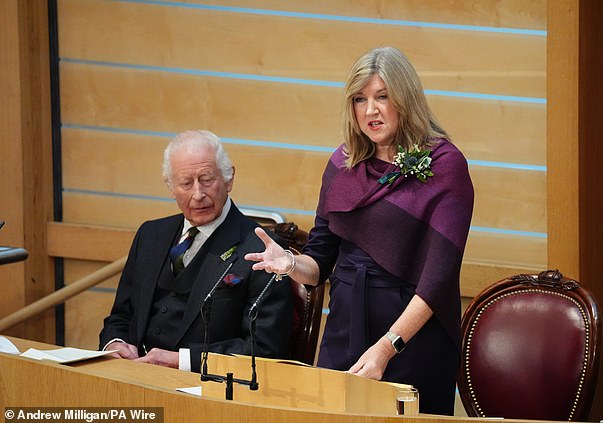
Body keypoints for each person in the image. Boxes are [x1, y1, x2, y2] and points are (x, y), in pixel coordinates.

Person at [245, 46, 474, 415]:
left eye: (382, 96)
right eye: (360, 99)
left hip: (412, 338)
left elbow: (438, 281)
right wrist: (288, 263)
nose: (371, 110)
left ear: (406, 99)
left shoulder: (446, 166)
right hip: (345, 327)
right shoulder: (342, 163)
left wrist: (386, 348)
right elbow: (319, 263)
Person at [99, 130, 294, 372]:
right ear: (171, 187)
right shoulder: (150, 235)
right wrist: (114, 343)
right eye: (186, 183)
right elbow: (120, 316)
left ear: (229, 178)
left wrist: (180, 362)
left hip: (204, 390)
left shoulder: (263, 250)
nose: (198, 194)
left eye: (206, 179)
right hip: (133, 377)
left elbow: (264, 349)